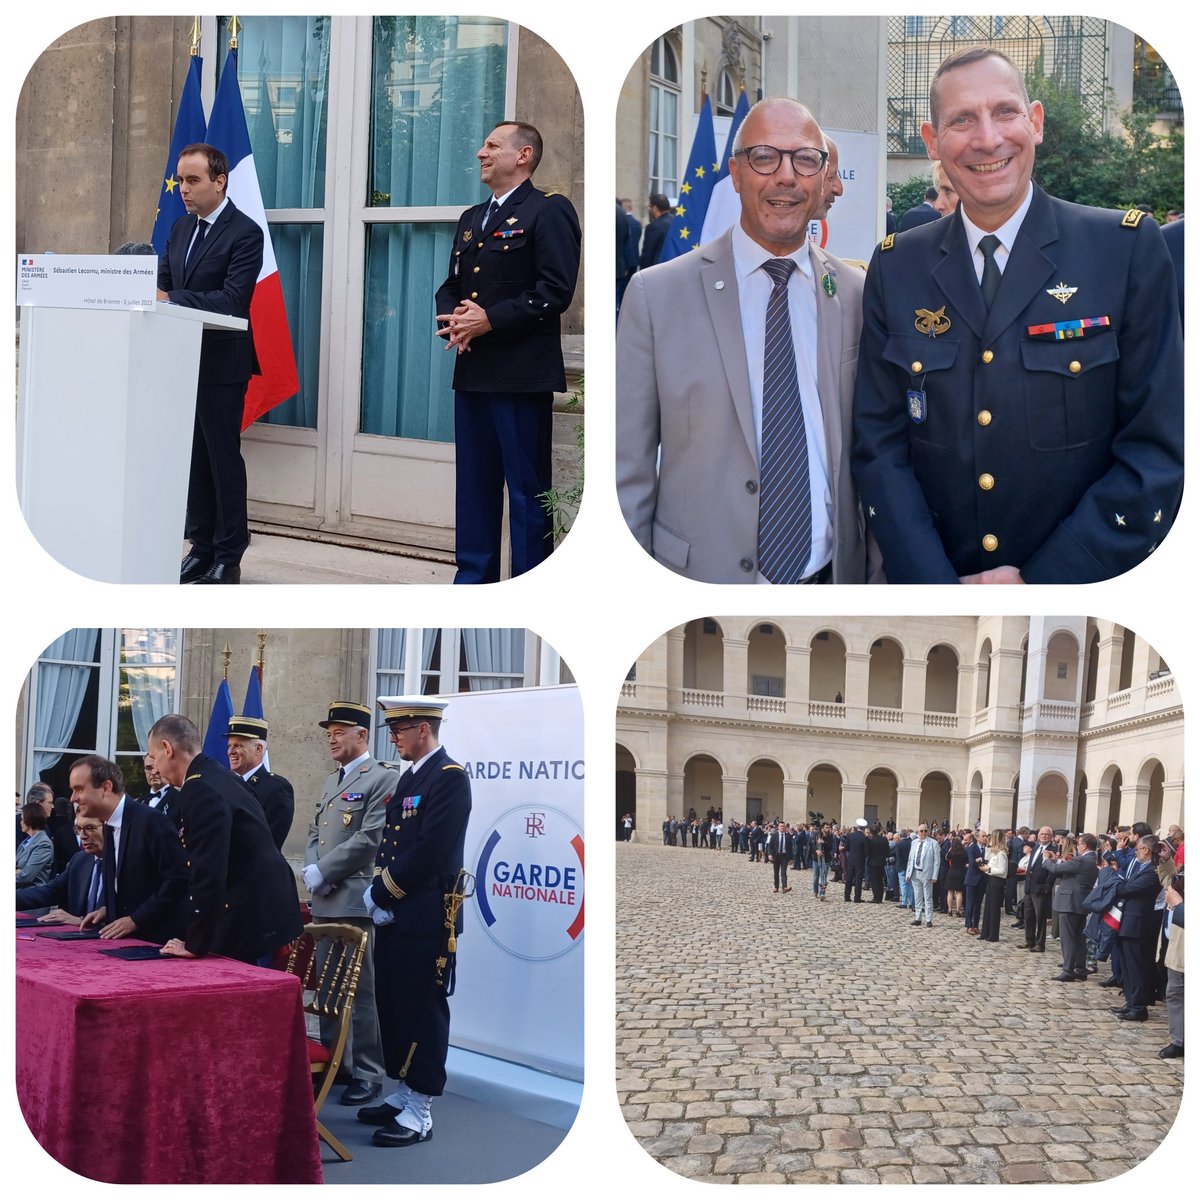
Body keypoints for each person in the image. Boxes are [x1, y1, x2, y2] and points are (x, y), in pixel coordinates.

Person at [852, 47, 1183, 584]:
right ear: (932, 142)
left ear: (1035, 122)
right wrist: (935, 588)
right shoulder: (897, 266)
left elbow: (1157, 448)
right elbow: (879, 445)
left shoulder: (1123, 251)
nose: (987, 139)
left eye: (1004, 112)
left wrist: (1040, 583)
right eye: (962, 120)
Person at [616, 98, 872, 584]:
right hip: (700, 581)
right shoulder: (657, 295)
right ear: (735, 173)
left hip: (831, 579)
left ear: (822, 177)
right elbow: (625, 470)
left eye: (804, 160)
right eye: (764, 158)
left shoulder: (856, 294)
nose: (785, 176)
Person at [434, 121, 581, 585]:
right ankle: (472, 580)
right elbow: (452, 284)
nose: (481, 152)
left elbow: (554, 291)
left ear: (523, 155)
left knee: (525, 492)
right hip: (474, 369)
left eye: (492, 146)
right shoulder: (471, 217)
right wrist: (454, 321)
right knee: (473, 488)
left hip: (520, 376)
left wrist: (490, 319)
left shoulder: (548, 211)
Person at [356, 697, 472, 1148]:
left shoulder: (449, 778)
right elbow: (394, 844)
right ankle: (404, 1091)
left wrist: (383, 890)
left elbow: (429, 850)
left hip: (427, 916)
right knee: (396, 1004)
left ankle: (421, 1108)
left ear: (422, 729)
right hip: (400, 914)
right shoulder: (411, 778)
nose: (394, 738)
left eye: (399, 729)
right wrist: (384, 895)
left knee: (424, 1010)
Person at [158, 143, 264, 586]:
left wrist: (171, 298)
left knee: (221, 460)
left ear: (220, 181)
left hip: (222, 364)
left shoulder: (245, 233)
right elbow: (161, 281)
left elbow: (233, 302)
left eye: (193, 180)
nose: (183, 189)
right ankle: (200, 549)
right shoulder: (181, 228)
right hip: (181, 359)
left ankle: (228, 556)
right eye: (181, 180)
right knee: (194, 462)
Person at [147, 715, 301, 962]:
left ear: (167, 749)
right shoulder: (219, 775)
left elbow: (208, 868)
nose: (155, 768)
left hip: (249, 915)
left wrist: (195, 943)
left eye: (154, 758)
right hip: (263, 907)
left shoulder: (198, 788)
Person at [304, 701, 395, 1106]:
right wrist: (312, 871)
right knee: (329, 987)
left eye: (340, 731)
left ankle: (368, 1071)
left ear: (362, 735)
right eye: (329, 733)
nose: (332, 738)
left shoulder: (381, 778)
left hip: (355, 900)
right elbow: (313, 832)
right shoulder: (330, 782)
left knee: (361, 992)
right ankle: (334, 1062)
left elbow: (370, 838)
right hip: (325, 900)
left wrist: (324, 871)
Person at [70, 755, 188, 943]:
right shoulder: (109, 825)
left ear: (106, 788)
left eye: (79, 789)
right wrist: (109, 908)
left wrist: (135, 920)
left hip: (155, 945)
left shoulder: (151, 821)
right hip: (121, 943)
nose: (73, 798)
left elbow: (178, 879)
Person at [17, 813, 106, 923]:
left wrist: (80, 921)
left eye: (89, 828)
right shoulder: (80, 860)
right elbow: (50, 892)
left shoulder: (127, 864)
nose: (82, 835)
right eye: (78, 829)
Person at [225, 715, 295, 850]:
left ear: (258, 749)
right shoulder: (225, 784)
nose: (231, 752)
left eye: (238, 745)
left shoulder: (277, 788)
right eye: (229, 746)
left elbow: (268, 843)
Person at [1045, 831, 1099, 981]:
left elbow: (1056, 870)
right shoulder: (1093, 860)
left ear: (1084, 845)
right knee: (1079, 938)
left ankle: (1068, 970)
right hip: (1081, 902)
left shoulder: (1081, 860)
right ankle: (1080, 968)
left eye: (1079, 844)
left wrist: (1047, 860)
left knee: (1068, 938)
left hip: (1070, 902)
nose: (1077, 847)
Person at [1022, 825, 1056, 952]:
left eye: (1047, 834)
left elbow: (1052, 871)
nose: (1044, 836)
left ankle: (1040, 943)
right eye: (1042, 834)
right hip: (1030, 886)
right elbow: (1031, 866)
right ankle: (1029, 940)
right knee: (1028, 915)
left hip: (1041, 888)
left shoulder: (1052, 850)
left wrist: (1047, 887)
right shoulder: (1035, 848)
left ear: (1051, 837)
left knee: (1040, 916)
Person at [906, 823, 940, 927]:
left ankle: (929, 919)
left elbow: (937, 861)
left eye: (925, 831)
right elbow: (911, 858)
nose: (923, 833)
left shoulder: (933, 843)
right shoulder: (914, 842)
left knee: (928, 897)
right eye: (921, 831)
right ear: (918, 832)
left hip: (927, 873)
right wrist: (908, 873)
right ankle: (918, 918)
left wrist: (935, 875)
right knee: (917, 897)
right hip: (915, 872)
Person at [978, 828, 1008, 942]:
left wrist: (989, 869)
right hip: (991, 879)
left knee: (994, 908)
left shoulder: (1002, 853)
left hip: (997, 880)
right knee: (988, 907)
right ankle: (985, 932)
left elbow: (1002, 870)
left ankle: (993, 934)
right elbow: (987, 858)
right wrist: (988, 847)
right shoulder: (995, 852)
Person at [15, 802, 53, 889]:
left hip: (30, 893)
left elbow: (26, 876)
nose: (20, 823)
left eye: (22, 819)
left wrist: (19, 871)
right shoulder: (26, 842)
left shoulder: (43, 844)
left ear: (29, 820)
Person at [639, 193, 674, 268]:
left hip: (657, 269)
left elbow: (647, 255)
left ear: (654, 208)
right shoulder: (676, 222)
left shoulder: (654, 227)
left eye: (649, 207)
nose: (649, 210)